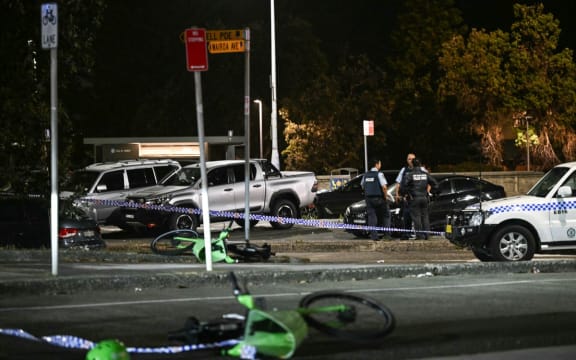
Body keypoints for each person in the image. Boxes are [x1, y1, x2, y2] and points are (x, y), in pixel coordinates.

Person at [400, 158, 438, 240]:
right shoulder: (425, 174)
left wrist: (407, 194)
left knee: (416, 217)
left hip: (414, 198)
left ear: (412, 165)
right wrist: (431, 193)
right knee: (425, 217)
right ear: (420, 164)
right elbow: (435, 184)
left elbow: (402, 187)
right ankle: (427, 235)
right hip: (424, 198)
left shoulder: (410, 175)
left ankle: (420, 236)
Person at [361, 158, 391, 240]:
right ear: (377, 165)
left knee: (372, 217)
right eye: (380, 164)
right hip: (379, 198)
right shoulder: (379, 174)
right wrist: (385, 197)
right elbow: (384, 187)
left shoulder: (366, 175)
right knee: (386, 215)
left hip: (368, 199)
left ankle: (374, 236)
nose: (380, 165)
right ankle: (387, 235)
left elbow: (362, 185)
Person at [395, 153, 419, 239]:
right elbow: (398, 183)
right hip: (407, 198)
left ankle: (419, 235)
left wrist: (426, 192)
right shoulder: (404, 170)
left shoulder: (421, 170)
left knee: (417, 218)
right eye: (409, 159)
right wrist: (397, 195)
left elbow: (428, 182)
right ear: (407, 160)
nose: (411, 161)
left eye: (413, 159)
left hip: (417, 198)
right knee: (406, 217)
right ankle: (407, 234)